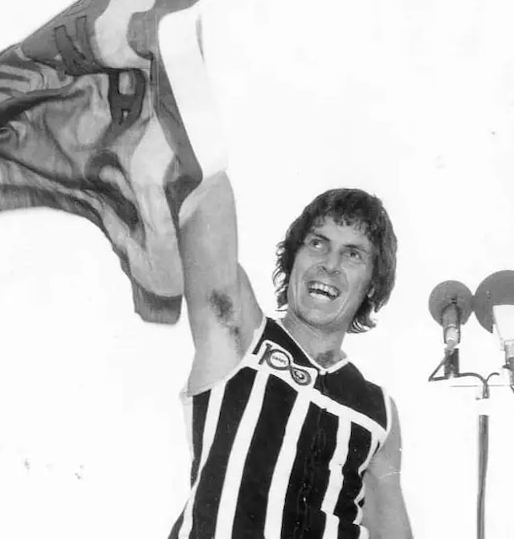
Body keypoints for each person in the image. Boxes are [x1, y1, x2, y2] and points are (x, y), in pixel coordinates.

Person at [169, 172, 414, 538]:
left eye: (353, 254)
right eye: (317, 243)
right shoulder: (242, 338)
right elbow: (204, 214)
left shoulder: (379, 412)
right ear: (293, 258)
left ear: (372, 283)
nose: (329, 264)